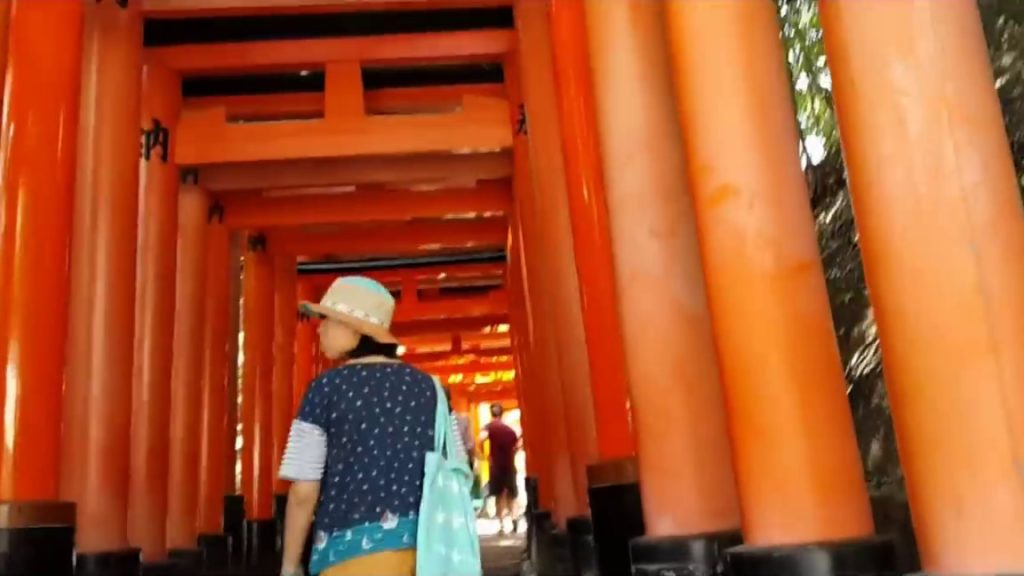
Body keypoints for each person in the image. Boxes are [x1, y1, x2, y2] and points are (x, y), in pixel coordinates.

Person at [278, 276, 439, 576]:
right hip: (429, 552)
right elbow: (454, 466)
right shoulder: (432, 389)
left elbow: (303, 488)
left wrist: (289, 564)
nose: (320, 328)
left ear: (356, 329)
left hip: (349, 552)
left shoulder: (325, 389)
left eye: (328, 319)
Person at [478, 403, 519, 534]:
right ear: (502, 414)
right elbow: (517, 444)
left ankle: (501, 525)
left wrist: (484, 456)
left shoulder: (489, 427)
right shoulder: (509, 430)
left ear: (491, 413)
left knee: (498, 494)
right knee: (512, 494)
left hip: (496, 466)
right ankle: (514, 518)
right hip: (510, 464)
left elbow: (479, 440)